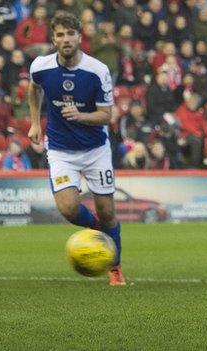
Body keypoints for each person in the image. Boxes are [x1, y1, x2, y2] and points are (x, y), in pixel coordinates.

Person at [28, 12, 124, 286]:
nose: (66, 39)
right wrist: (35, 123)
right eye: (60, 35)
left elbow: (106, 115)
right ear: (54, 38)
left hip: (95, 150)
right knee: (69, 209)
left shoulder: (97, 71)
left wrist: (81, 116)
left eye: (71, 34)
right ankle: (98, 232)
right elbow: (33, 89)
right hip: (60, 149)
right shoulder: (41, 66)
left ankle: (115, 267)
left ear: (80, 37)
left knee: (107, 212)